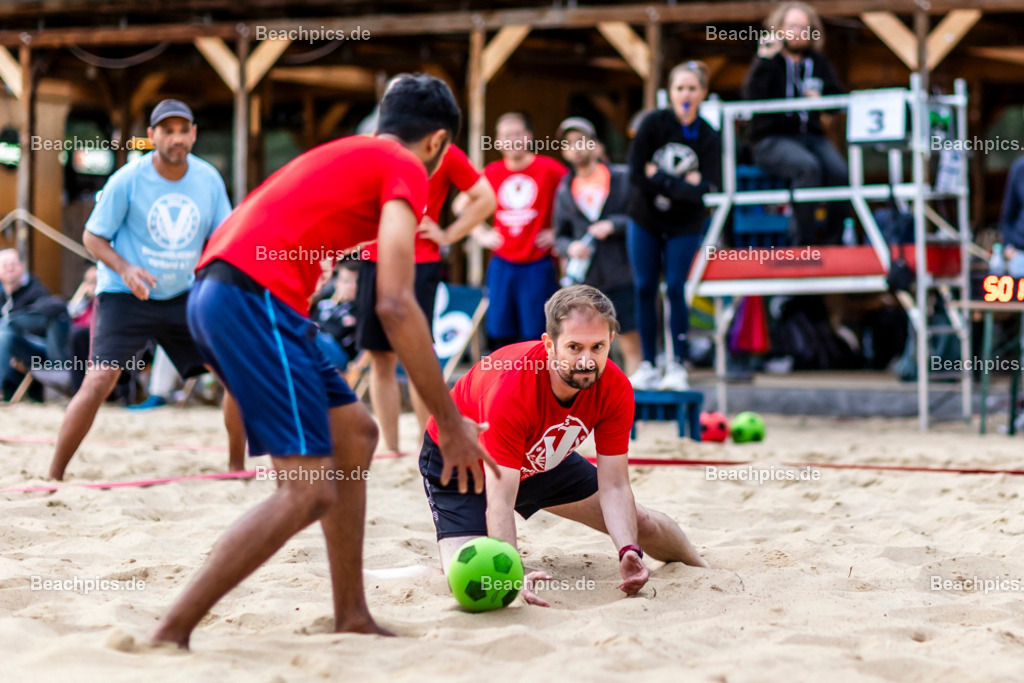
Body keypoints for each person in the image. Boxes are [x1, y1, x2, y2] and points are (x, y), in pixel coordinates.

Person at [149, 74, 499, 649]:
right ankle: (171, 631)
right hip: (249, 298)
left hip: (241, 296)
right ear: (437, 143)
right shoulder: (407, 166)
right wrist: (452, 423)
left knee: (356, 433)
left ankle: (352, 614)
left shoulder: (355, 151)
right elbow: (394, 303)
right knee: (307, 491)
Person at [419, 285, 707, 605]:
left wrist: (627, 550)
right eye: (574, 347)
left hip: (540, 459)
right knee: (477, 576)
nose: (586, 361)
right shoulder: (511, 387)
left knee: (640, 524)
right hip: (464, 463)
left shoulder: (615, 387)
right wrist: (513, 574)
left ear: (611, 341)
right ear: (549, 345)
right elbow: (500, 499)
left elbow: (614, 485)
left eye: (597, 347)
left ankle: (703, 567)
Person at [47, 99, 245, 479]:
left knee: (235, 374)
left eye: (182, 130)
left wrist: (223, 282)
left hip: (183, 294)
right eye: (167, 131)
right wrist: (126, 268)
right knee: (100, 379)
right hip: (126, 292)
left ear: (194, 134)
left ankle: (236, 468)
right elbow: (92, 236)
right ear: (151, 136)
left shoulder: (208, 179)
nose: (176, 138)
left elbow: (223, 239)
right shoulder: (128, 178)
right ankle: (54, 475)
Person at [359, 143, 495, 454]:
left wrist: (449, 234)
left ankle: (428, 445)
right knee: (379, 357)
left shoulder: (445, 151)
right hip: (372, 257)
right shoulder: (377, 144)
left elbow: (485, 198)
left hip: (420, 260)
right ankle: (391, 448)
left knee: (418, 356)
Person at [627, 61, 721, 391]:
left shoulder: (709, 134)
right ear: (670, 92)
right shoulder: (653, 124)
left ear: (703, 93)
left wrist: (661, 178)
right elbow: (637, 174)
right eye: (680, 88)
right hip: (645, 219)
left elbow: (705, 188)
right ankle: (649, 363)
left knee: (677, 286)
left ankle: (677, 363)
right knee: (644, 286)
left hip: (685, 224)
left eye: (692, 89)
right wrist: (680, 184)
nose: (686, 94)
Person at [742, 1, 847, 246]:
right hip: (770, 139)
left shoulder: (818, 62)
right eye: (792, 26)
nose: (797, 33)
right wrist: (764, 60)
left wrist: (821, 100)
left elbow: (838, 99)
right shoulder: (769, 59)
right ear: (779, 28)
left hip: (811, 137)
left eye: (803, 27)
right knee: (807, 168)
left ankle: (834, 241)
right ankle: (802, 243)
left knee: (840, 173)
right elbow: (750, 96)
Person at [553, 117, 641, 376]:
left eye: (581, 141)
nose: (576, 148)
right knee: (592, 347)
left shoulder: (621, 178)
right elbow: (560, 236)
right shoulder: (564, 189)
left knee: (630, 342)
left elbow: (641, 218)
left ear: (594, 144)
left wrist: (612, 225)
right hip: (587, 282)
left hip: (624, 272)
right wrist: (570, 248)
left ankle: (633, 404)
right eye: (568, 143)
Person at [474, 112, 566, 347]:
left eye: (517, 134)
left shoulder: (549, 169)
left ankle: (536, 383)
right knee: (499, 332)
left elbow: (576, 199)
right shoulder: (491, 172)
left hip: (537, 263)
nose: (512, 140)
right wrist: (480, 234)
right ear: (497, 141)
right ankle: (507, 382)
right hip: (502, 262)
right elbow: (461, 206)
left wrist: (559, 233)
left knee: (537, 335)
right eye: (506, 135)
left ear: (528, 137)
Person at [0, 248, 70, 401]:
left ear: (22, 266)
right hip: (13, 351)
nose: (10, 267)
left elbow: (55, 307)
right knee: (4, 332)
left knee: (5, 330)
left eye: (13, 263)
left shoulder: (34, 289)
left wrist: (14, 320)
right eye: (5, 264)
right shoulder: (2, 295)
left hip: (40, 350)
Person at [312, 260, 361, 371]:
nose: (351, 286)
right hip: (317, 343)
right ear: (337, 283)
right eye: (346, 281)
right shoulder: (324, 303)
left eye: (356, 282)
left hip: (338, 352)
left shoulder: (359, 310)